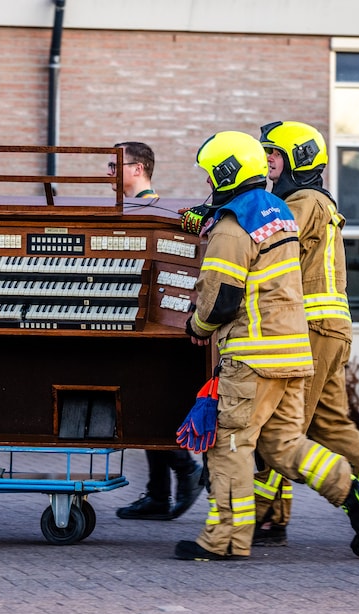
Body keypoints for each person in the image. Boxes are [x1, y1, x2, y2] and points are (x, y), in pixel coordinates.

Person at [174, 130, 359, 561]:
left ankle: (225, 541)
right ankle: (358, 498)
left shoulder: (234, 226)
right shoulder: (279, 212)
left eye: (211, 174)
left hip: (252, 356)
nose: (209, 184)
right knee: (283, 445)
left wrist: (196, 325)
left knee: (230, 443)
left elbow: (222, 299)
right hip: (293, 353)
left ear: (225, 172)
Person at [251, 121, 359, 548]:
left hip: (310, 330)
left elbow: (265, 239)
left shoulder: (303, 200)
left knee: (280, 430)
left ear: (298, 160)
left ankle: (258, 519)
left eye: (273, 154)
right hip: (327, 332)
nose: (267, 161)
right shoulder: (313, 200)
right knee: (330, 427)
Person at [110, 140, 205, 521]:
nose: (109, 174)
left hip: (155, 321)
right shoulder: (122, 210)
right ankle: (157, 495)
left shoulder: (159, 212)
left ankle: (186, 470)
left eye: (116, 166)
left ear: (138, 169)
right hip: (128, 312)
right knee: (142, 401)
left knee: (151, 401)